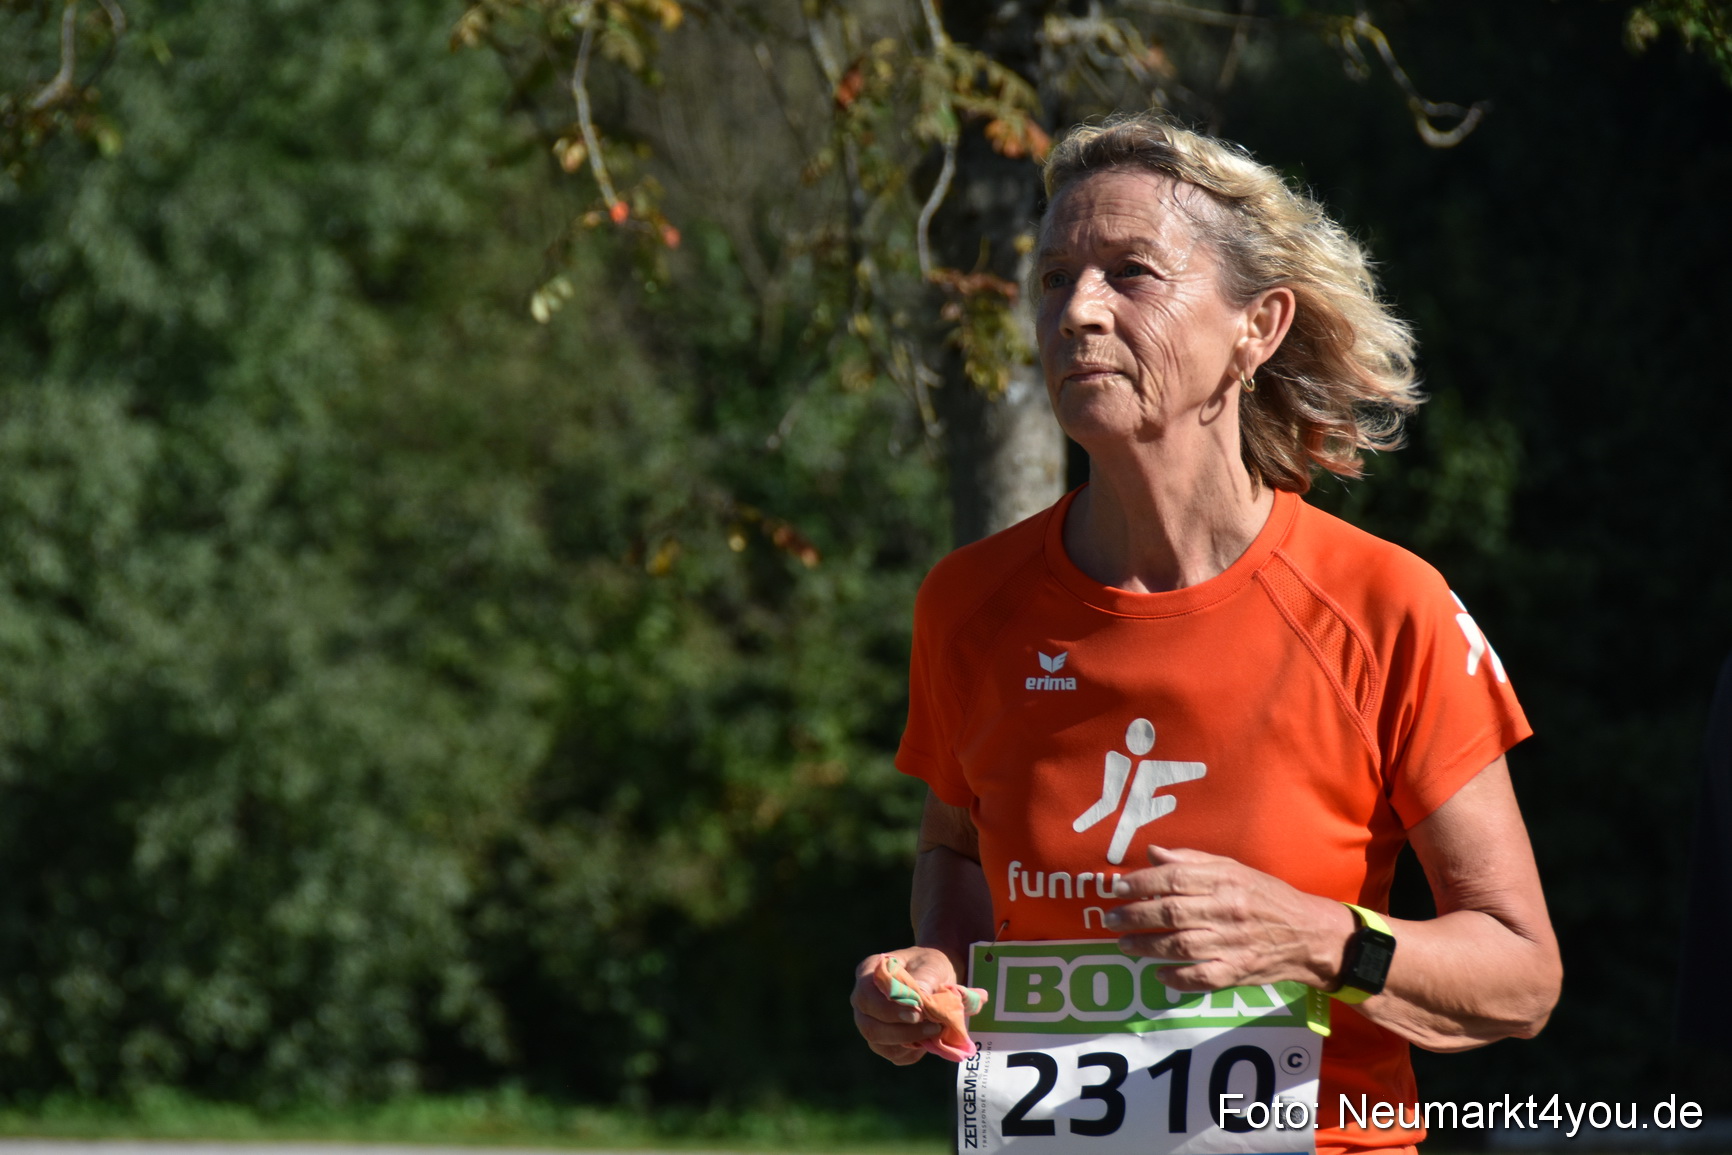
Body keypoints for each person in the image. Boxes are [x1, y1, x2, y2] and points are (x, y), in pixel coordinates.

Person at [850, 113, 1561, 1155]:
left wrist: (1318, 939)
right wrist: (929, 970)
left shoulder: (1382, 605)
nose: (1077, 311)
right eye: (1052, 280)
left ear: (1256, 327)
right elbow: (955, 857)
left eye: (1130, 273)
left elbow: (1519, 975)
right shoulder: (967, 603)